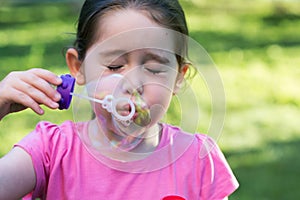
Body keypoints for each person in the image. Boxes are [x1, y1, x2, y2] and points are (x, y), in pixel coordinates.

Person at [0, 0, 239, 199]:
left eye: (154, 69)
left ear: (178, 77)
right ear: (78, 67)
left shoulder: (199, 159)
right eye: (114, 66)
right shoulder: (51, 151)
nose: (132, 84)